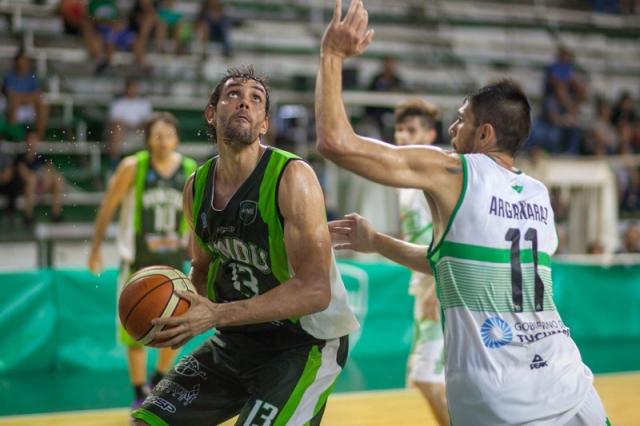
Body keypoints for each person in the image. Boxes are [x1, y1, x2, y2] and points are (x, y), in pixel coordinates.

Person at [315, 1, 608, 424]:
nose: (453, 131)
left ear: (484, 133)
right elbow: (453, 263)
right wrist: (375, 240)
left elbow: (335, 143)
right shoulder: (540, 194)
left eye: (460, 121)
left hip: (500, 400)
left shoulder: (455, 170)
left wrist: (332, 56)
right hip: (572, 385)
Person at [130, 67, 359, 426]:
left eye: (256, 98)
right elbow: (203, 269)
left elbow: (316, 291)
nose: (244, 103)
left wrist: (215, 314)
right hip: (237, 340)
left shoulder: (293, 177)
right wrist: (181, 311)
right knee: (146, 421)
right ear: (211, 113)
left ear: (264, 123)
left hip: (303, 343)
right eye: (233, 94)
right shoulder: (197, 185)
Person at [88, 112, 197, 413]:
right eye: (157, 134)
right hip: (136, 261)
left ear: (177, 138)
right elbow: (108, 206)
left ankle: (159, 381)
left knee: (177, 329)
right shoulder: (132, 167)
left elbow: (197, 216)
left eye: (169, 134)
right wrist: (95, 248)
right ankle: (138, 391)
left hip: (175, 264)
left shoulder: (189, 169)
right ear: (148, 138)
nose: (163, 140)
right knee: (133, 326)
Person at [389, 99, 449, 425]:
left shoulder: (433, 176)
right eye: (399, 129)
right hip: (424, 284)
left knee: (427, 376)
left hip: (441, 287)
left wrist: (438, 289)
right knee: (433, 377)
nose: (402, 136)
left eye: (411, 130)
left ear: (429, 134)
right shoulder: (404, 180)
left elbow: (453, 236)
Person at [14, 130, 64, 225]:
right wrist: (39, 176)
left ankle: (56, 215)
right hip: (24, 186)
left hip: (42, 185)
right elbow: (23, 174)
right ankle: (28, 215)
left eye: (34, 139)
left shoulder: (42, 157)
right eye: (30, 139)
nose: (32, 142)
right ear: (26, 141)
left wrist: (46, 177)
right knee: (32, 179)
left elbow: (53, 171)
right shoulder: (20, 157)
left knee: (58, 179)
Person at [2, 50, 50, 140]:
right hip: (12, 106)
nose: (22, 65)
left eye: (24, 62)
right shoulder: (10, 76)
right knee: (15, 101)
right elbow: (10, 95)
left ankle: (40, 136)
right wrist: (27, 98)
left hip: (28, 106)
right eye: (20, 62)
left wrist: (22, 98)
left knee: (43, 105)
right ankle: (13, 136)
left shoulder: (32, 77)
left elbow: (37, 95)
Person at [106, 77, 153, 166]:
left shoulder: (144, 103)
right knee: (117, 129)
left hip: (139, 132)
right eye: (130, 87)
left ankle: (150, 163)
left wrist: (136, 127)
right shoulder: (117, 103)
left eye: (134, 87)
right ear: (125, 88)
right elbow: (114, 122)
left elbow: (147, 121)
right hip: (122, 132)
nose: (132, 90)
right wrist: (128, 126)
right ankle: (114, 163)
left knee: (150, 130)